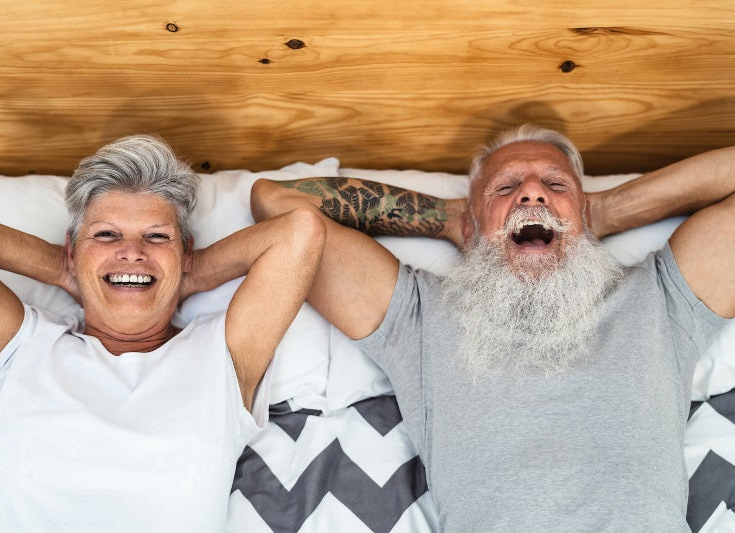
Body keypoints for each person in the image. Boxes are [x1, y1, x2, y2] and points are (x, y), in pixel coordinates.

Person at [250, 124, 735, 532]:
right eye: (504, 189)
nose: (531, 193)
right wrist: (450, 218)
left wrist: (603, 210)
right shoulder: (419, 316)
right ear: (469, 227)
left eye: (556, 185)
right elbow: (277, 205)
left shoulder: (662, 298)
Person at [0, 135, 326, 532]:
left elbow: (300, 231)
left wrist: (189, 274)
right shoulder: (23, 348)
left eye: (157, 237)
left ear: (186, 250)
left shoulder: (223, 356)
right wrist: (60, 266)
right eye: (106, 235)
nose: (132, 251)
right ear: (72, 248)